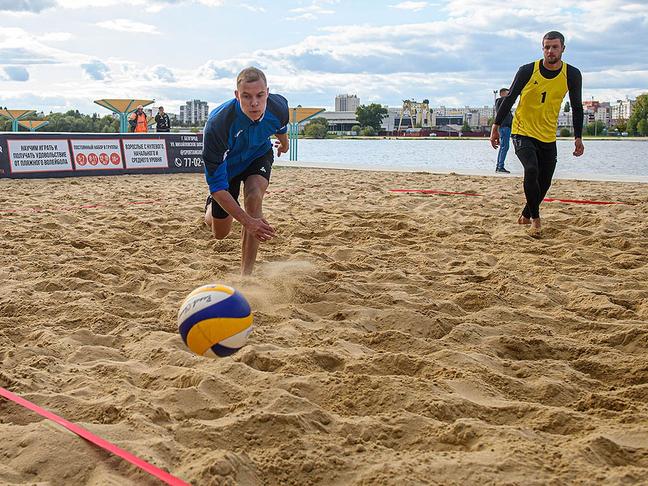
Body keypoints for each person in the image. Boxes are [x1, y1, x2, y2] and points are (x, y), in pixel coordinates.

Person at [490, 31, 584, 236]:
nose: (550, 51)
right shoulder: (527, 70)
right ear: (542, 48)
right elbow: (510, 98)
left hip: (548, 135)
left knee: (546, 181)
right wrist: (495, 126)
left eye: (554, 47)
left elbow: (577, 107)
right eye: (546, 47)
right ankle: (536, 221)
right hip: (522, 131)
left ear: (563, 49)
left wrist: (578, 137)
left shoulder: (572, 74)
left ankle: (525, 214)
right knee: (531, 170)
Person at [202, 67, 289, 275]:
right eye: (246, 96)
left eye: (260, 95)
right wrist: (249, 223)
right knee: (220, 232)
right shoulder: (218, 125)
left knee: (254, 196)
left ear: (267, 92)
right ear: (236, 95)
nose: (254, 103)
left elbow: (281, 128)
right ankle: (209, 209)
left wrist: (284, 145)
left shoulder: (279, 106)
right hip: (228, 169)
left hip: (258, 155)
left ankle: (246, 277)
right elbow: (217, 187)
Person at [494, 88, 512, 173]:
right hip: (504, 127)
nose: (509, 96)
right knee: (505, 146)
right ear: (502, 94)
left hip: (505, 127)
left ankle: (499, 166)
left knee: (504, 147)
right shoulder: (501, 101)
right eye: (507, 94)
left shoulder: (501, 102)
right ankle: (500, 166)